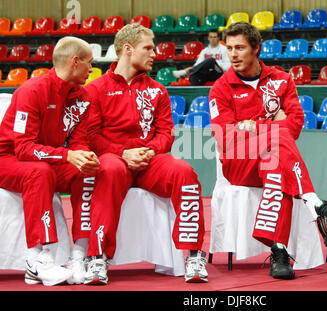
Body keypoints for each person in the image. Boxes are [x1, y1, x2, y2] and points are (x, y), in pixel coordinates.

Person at [208, 22, 327, 280]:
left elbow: (295, 125)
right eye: (229, 48)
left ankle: (280, 252)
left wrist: (252, 124)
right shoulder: (220, 88)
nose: (233, 54)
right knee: (278, 137)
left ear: (256, 48)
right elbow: (225, 136)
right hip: (238, 163)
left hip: (272, 157)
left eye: (240, 47)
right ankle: (318, 206)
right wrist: (271, 124)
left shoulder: (282, 80)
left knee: (277, 170)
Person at [84, 24, 209, 283]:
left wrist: (148, 151)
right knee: (107, 170)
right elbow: (92, 136)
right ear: (128, 50)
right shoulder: (95, 89)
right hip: (114, 159)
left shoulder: (157, 90)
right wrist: (124, 153)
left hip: (151, 160)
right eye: (148, 48)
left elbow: (166, 134)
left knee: (184, 172)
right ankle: (97, 257)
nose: (155, 54)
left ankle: (194, 255)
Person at [0, 36, 101, 286]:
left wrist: (83, 156)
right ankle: (38, 260)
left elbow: (78, 141)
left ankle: (79, 254)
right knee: (40, 172)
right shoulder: (31, 91)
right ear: (75, 62)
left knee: (87, 173)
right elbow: (23, 149)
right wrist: (67, 155)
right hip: (8, 159)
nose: (92, 69)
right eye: (89, 63)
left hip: (47, 159)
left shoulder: (83, 97)